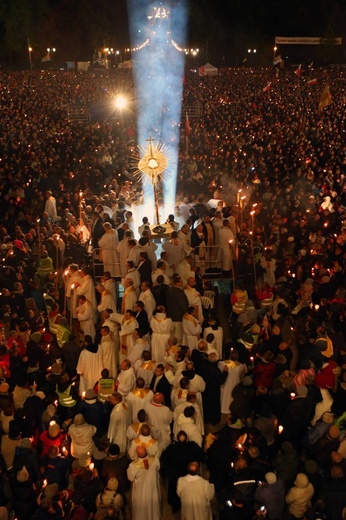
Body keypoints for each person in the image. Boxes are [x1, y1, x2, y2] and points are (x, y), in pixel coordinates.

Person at [127, 446, 161, 520]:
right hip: (152, 488)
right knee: (153, 506)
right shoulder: (155, 459)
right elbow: (158, 468)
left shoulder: (133, 466)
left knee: (141, 510)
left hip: (140, 492)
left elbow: (130, 478)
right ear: (146, 450)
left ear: (137, 454)